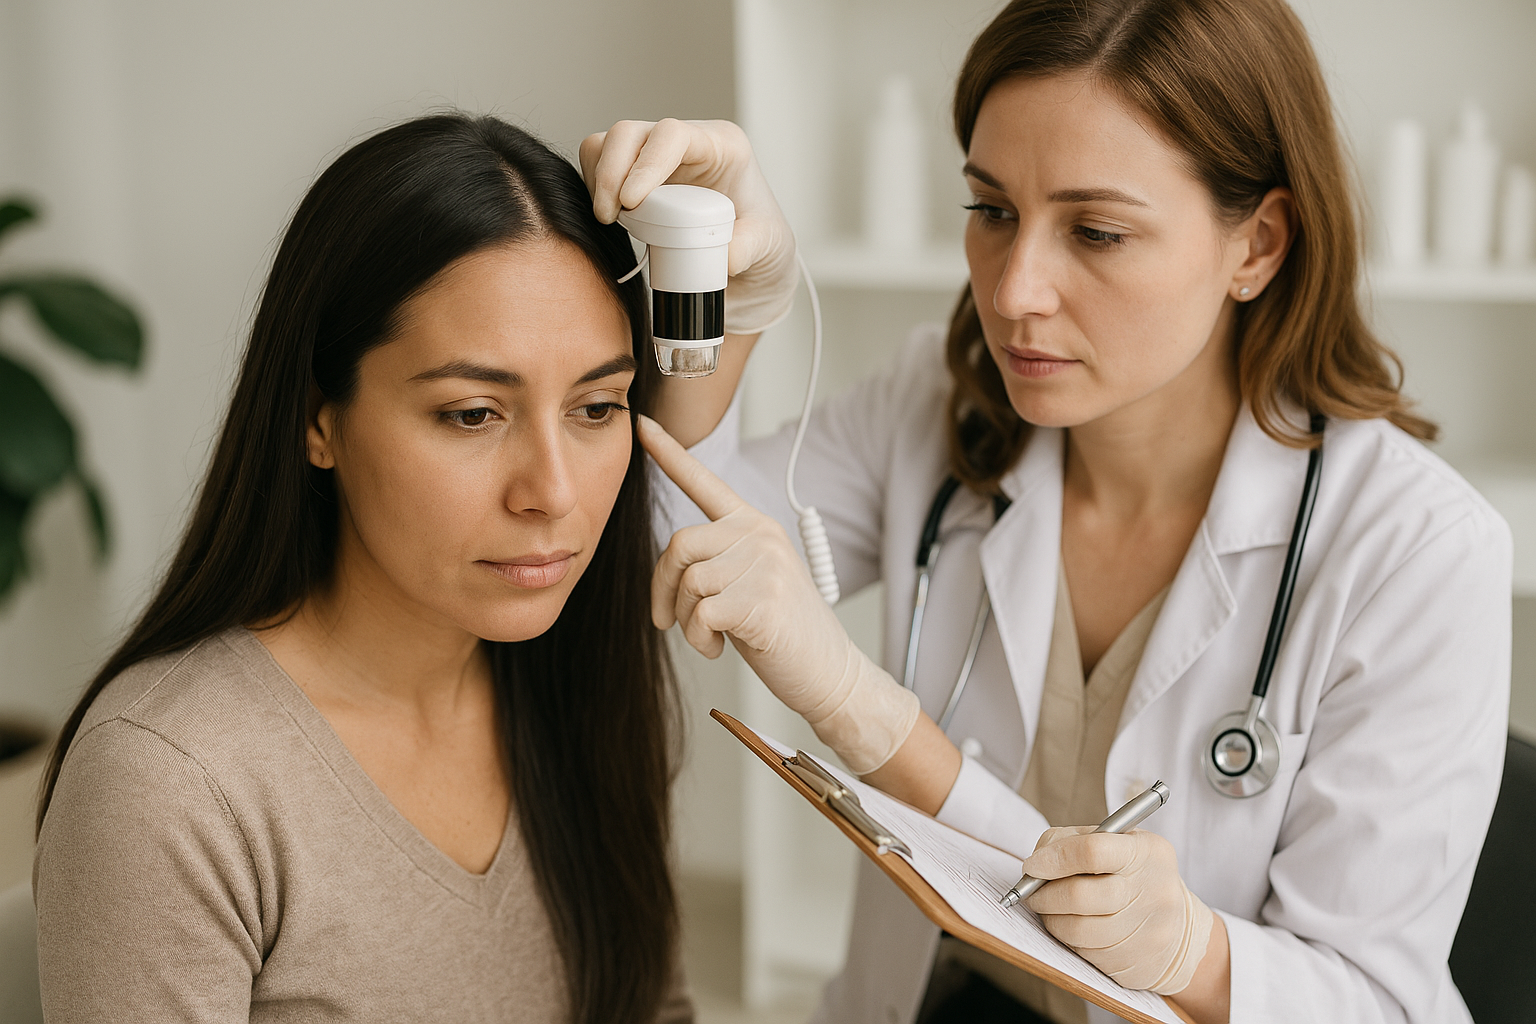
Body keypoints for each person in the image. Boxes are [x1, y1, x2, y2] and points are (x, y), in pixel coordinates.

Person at [586, 0, 1511, 1021]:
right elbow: (650, 561)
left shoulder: (1418, 552)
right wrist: (725, 303)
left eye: (1098, 231)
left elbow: (1375, 1002)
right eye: (992, 211)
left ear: (1258, 244)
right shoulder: (932, 412)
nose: (1016, 290)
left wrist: (1194, 952)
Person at [33, 113, 699, 1024]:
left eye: (596, 407)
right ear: (320, 420)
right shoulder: (175, 782)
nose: (553, 492)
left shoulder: (580, 686)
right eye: (473, 414)